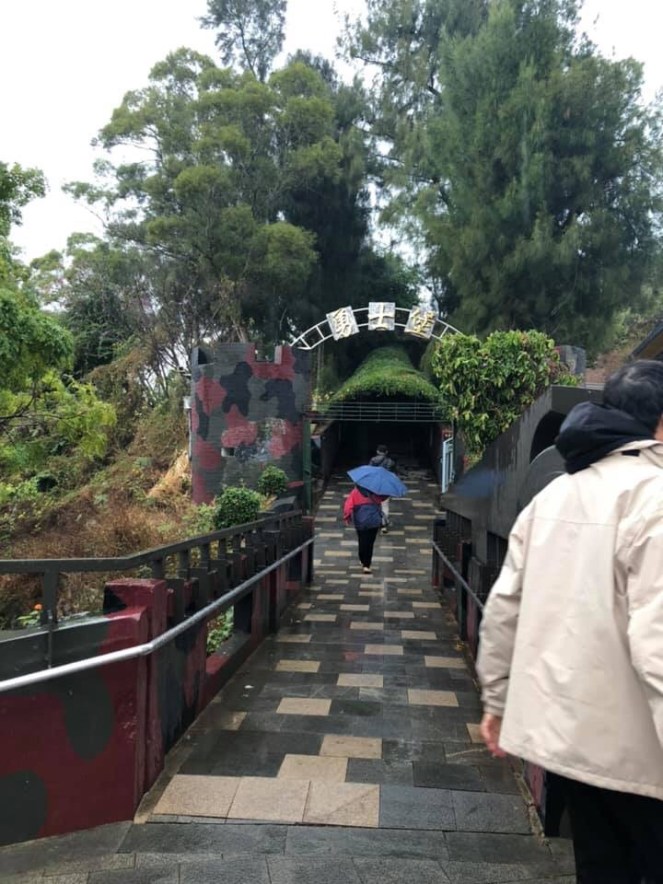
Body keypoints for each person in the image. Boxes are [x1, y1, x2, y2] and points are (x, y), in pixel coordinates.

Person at [476, 360, 663, 884]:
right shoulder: (654, 497)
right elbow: (657, 641)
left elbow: (504, 607)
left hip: (574, 744)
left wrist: (497, 700)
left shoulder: (554, 494)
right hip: (643, 757)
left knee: (600, 869)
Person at [343, 484, 386, 573]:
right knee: (370, 543)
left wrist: (347, 517)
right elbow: (383, 498)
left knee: (362, 540)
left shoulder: (355, 492)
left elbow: (348, 506)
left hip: (360, 520)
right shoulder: (376, 492)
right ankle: (367, 564)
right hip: (374, 520)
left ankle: (363, 559)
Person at [370, 445, 396, 533]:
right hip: (386, 486)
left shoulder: (373, 460)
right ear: (386, 452)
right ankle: (384, 525)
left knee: (374, 505)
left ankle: (374, 522)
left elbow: (370, 472)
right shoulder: (391, 462)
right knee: (385, 505)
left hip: (375, 486)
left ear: (377, 451)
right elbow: (393, 476)